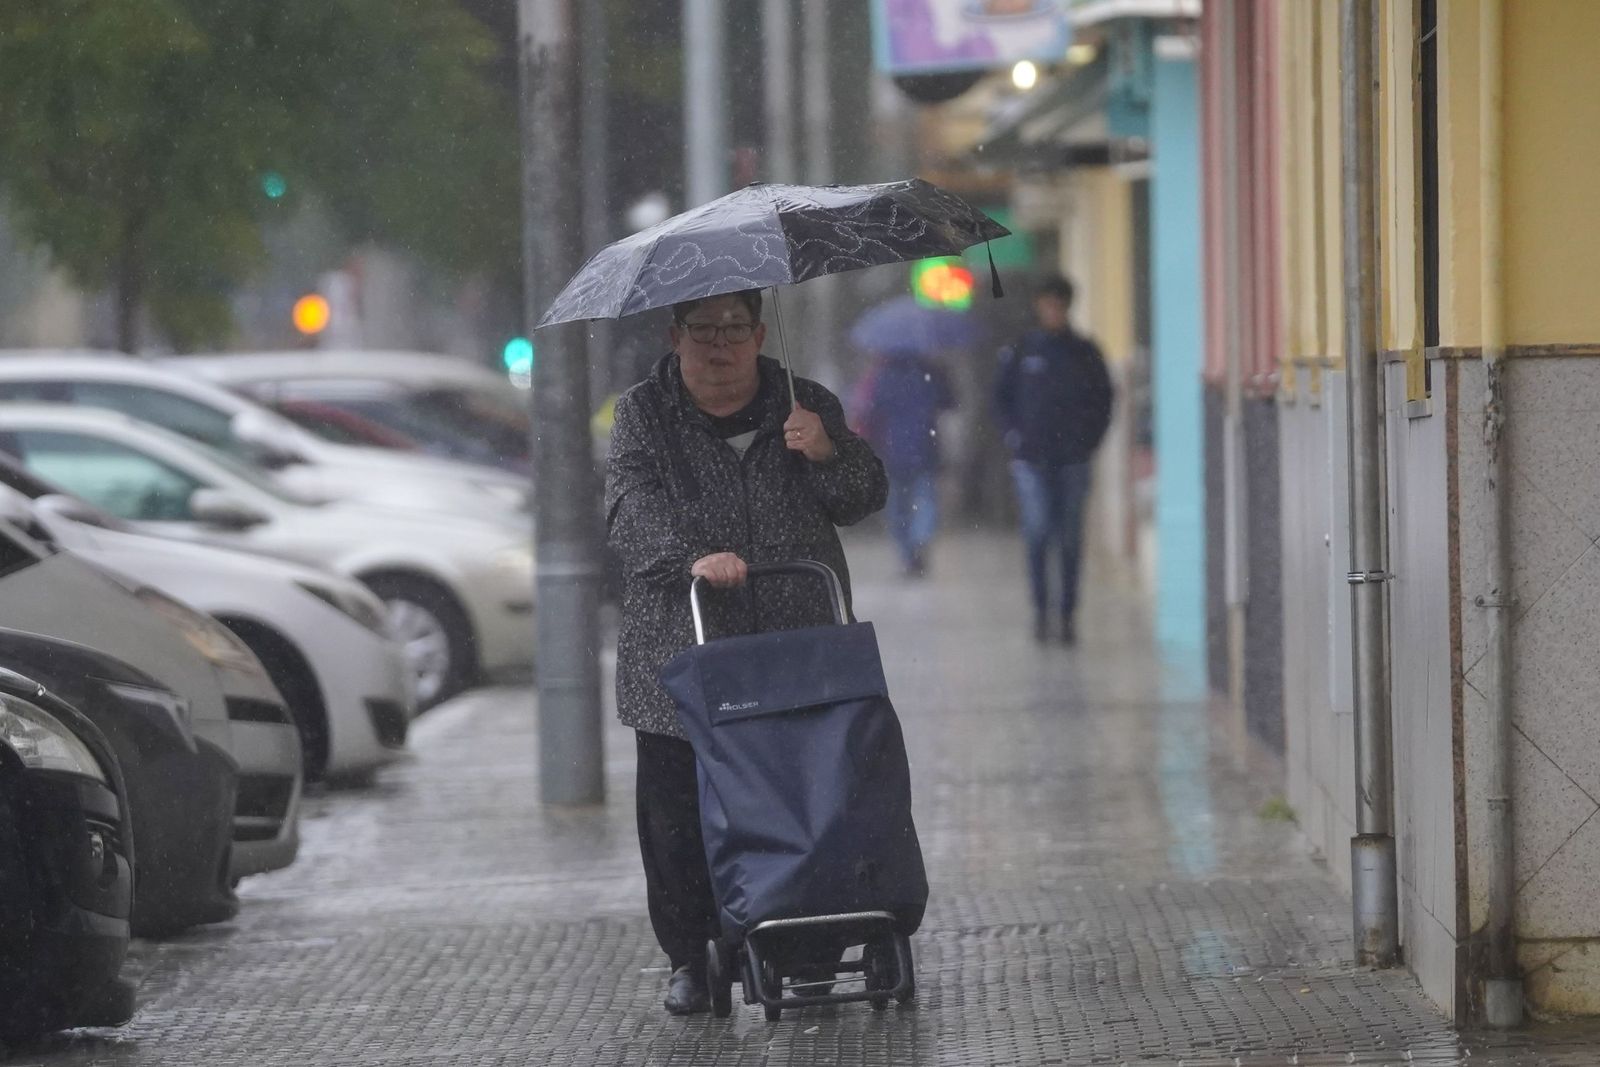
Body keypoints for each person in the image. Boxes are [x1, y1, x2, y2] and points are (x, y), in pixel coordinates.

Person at [604, 290, 888, 1015]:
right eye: (703, 330)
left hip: (794, 647)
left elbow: (862, 497)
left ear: (760, 334)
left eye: (735, 329)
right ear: (675, 336)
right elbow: (630, 509)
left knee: (807, 803)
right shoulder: (643, 414)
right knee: (678, 816)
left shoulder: (805, 402)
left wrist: (826, 451)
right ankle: (693, 958)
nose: (720, 346)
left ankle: (811, 946)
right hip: (682, 645)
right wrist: (691, 557)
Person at [993, 275, 1114, 645]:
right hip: (1031, 460)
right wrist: (1014, 437)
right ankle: (1041, 611)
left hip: (1074, 458)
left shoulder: (1085, 352)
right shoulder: (1022, 350)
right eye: (1048, 305)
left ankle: (1067, 613)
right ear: (1039, 306)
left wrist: (1089, 441)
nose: (1053, 312)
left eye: (1059, 305)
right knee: (1038, 532)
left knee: (1070, 538)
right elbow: (1001, 399)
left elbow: (1104, 399)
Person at [854, 346, 956, 577]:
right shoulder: (929, 373)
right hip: (925, 449)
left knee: (898, 507)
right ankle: (920, 539)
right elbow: (948, 402)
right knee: (925, 500)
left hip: (892, 452)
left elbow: (870, 413)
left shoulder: (882, 377)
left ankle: (908, 554)